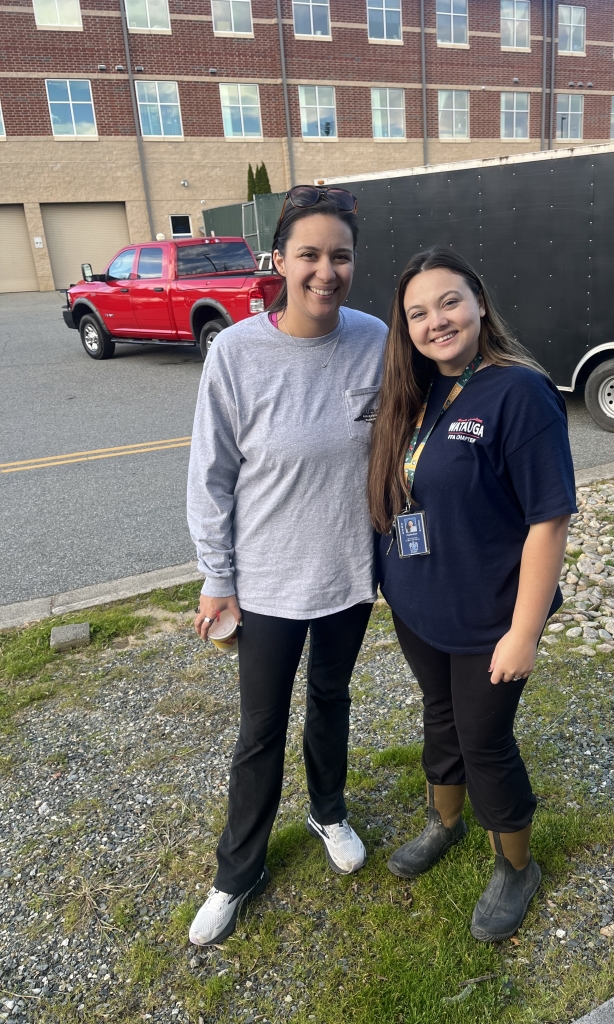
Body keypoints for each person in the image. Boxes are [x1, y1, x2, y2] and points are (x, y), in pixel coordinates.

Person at [186, 185, 387, 946]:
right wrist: (218, 577)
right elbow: (211, 475)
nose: (325, 270)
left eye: (339, 255)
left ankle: (327, 810)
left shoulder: (375, 338)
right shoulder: (237, 353)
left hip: (346, 575)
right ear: (279, 261)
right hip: (266, 584)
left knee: (331, 701)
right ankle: (238, 872)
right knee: (260, 729)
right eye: (309, 254)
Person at [368, 247, 577, 942]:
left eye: (449, 301)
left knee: (485, 739)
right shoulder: (423, 386)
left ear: (479, 301)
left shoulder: (520, 392)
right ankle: (445, 822)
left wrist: (523, 632)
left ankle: (516, 866)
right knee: (440, 716)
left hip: (491, 613)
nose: (437, 321)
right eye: (418, 313)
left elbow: (549, 519)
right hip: (421, 604)